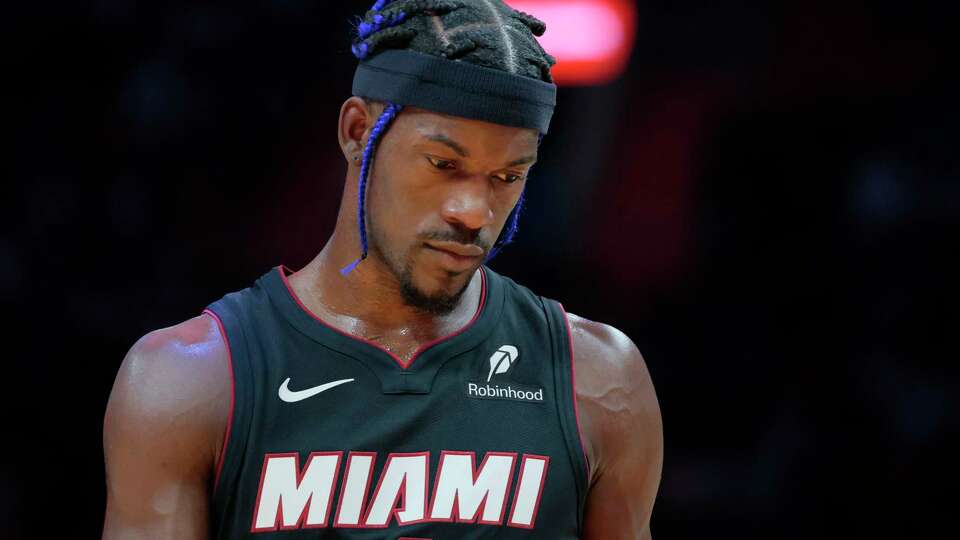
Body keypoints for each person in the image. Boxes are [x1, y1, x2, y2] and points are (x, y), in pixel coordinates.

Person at [102, 1, 662, 538]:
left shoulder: (598, 380)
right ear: (357, 132)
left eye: (507, 176)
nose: (474, 213)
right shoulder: (190, 381)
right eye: (444, 164)